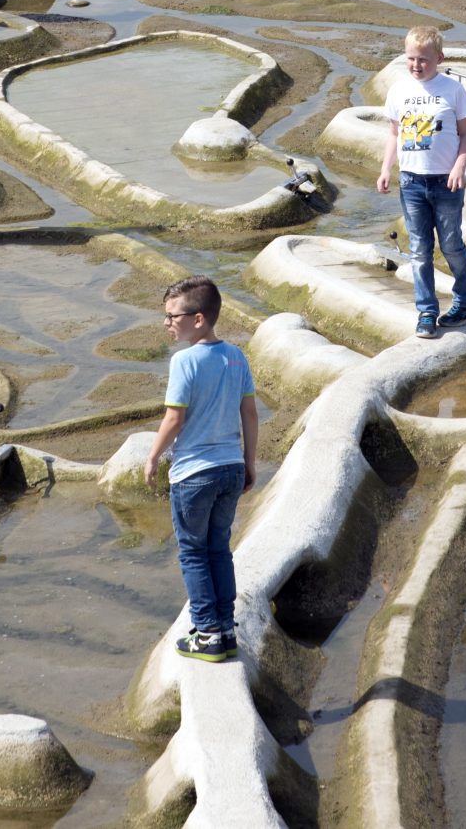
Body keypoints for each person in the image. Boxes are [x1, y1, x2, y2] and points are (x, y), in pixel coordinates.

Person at [143, 275, 259, 665]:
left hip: (194, 472)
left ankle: (207, 633)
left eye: (172, 315)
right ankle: (225, 629)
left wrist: (152, 456)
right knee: (219, 549)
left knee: (193, 553)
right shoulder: (237, 356)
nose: (166, 322)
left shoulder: (185, 360)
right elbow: (249, 413)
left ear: (198, 319)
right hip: (229, 467)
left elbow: (174, 418)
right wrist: (250, 461)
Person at [375, 25, 466, 340]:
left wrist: (460, 166)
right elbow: (395, 134)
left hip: (446, 183)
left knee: (451, 244)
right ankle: (427, 311)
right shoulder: (399, 91)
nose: (416, 65)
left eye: (423, 59)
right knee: (420, 249)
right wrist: (386, 169)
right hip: (411, 182)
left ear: (439, 57)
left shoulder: (452, 90)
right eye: (411, 58)